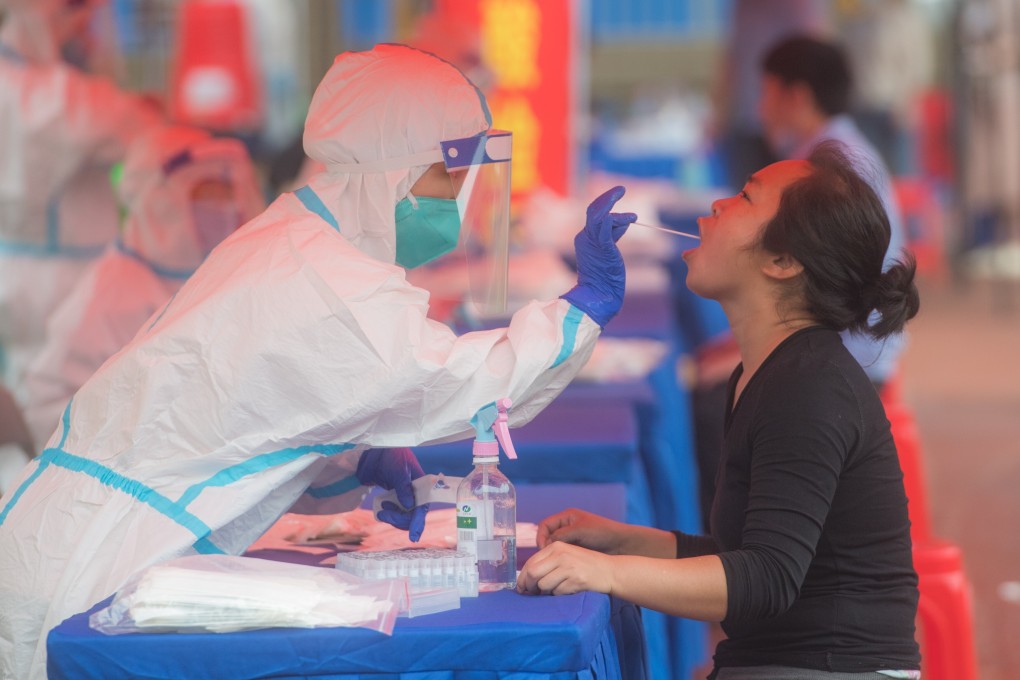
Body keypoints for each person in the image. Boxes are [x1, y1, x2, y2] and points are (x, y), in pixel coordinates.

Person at [0, 43, 636, 679]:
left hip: (64, 534)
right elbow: (471, 381)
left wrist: (352, 456)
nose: (456, 199)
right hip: (101, 561)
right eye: (445, 176)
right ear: (396, 169)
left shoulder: (293, 239)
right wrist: (580, 310)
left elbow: (251, 403)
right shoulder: (328, 281)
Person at [518, 143, 922, 679]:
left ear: (782, 262)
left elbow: (765, 579)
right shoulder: (769, 371)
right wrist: (620, 538)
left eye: (745, 198)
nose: (716, 207)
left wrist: (606, 571)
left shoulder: (809, 389)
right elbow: (751, 552)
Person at [21, 126, 266, 448]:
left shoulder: (219, 275)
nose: (224, 206)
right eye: (206, 192)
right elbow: (54, 413)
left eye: (225, 191)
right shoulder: (110, 298)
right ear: (161, 202)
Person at [0, 0, 161, 403]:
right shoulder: (49, 94)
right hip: (59, 281)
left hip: (24, 270)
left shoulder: (35, 85)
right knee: (56, 404)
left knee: (30, 392)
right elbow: (144, 124)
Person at [759, 35, 908, 391]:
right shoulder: (832, 151)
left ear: (797, 96)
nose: (759, 109)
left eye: (766, 93)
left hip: (853, 355)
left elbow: (824, 280)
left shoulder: (831, 166)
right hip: (857, 347)